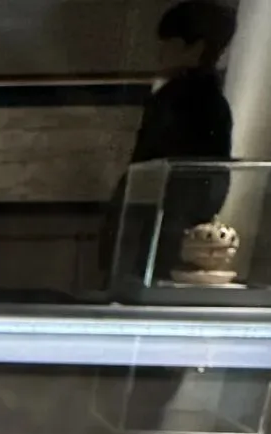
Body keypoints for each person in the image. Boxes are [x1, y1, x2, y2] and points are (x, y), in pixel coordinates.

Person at [102, 1, 236, 284]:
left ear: (196, 48)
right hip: (164, 220)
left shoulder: (180, 99)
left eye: (170, 44)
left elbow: (153, 162)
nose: (161, 52)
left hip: (161, 222)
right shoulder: (203, 100)